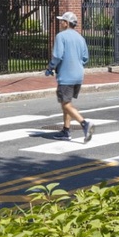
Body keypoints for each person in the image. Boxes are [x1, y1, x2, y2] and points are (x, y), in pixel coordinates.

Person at [47, 11, 91, 142]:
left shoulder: (61, 36)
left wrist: (50, 67)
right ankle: (66, 130)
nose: (60, 23)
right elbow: (85, 58)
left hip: (66, 75)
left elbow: (57, 56)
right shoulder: (80, 38)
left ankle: (84, 124)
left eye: (62, 21)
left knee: (65, 104)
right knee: (68, 102)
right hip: (78, 75)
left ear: (66, 23)